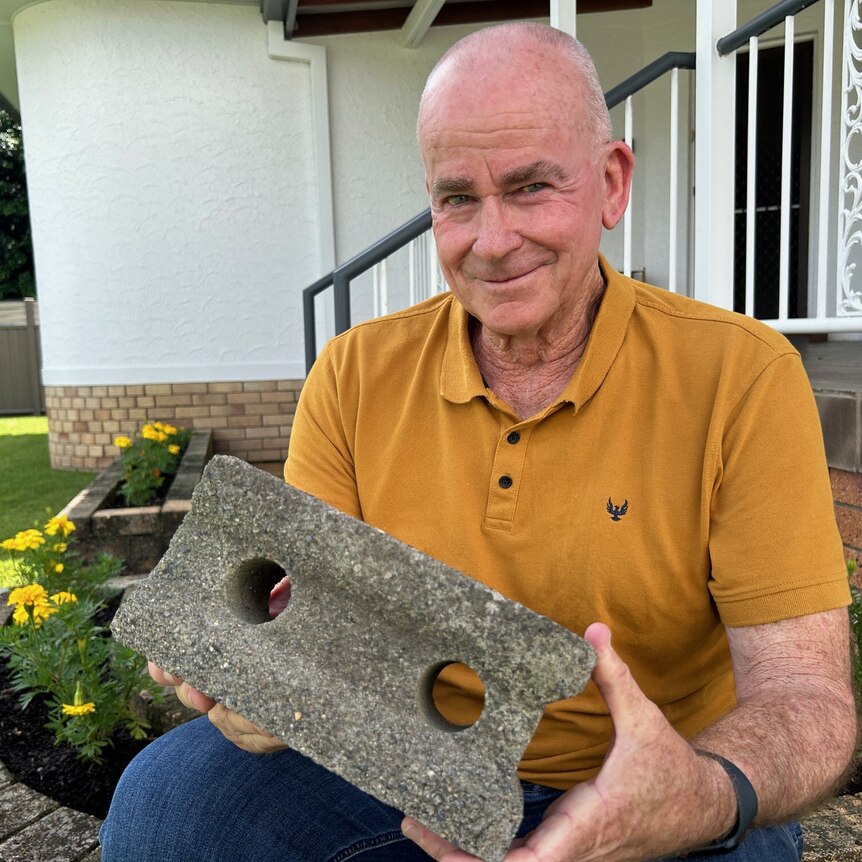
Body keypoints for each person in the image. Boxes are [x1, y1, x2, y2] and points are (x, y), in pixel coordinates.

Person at [100, 22, 857, 862]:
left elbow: (805, 698)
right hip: (405, 767)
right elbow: (307, 612)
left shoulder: (740, 375)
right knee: (166, 808)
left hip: (665, 779)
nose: (492, 242)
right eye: (458, 197)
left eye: (532, 186)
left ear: (611, 183)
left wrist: (706, 792)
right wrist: (266, 678)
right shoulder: (356, 372)